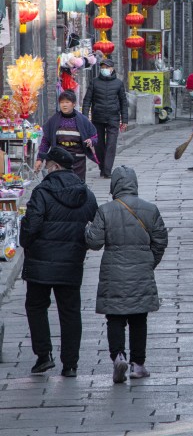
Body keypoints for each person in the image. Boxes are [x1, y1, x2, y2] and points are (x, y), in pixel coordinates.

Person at [85, 165, 168, 383]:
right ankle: (138, 365)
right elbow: (161, 241)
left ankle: (118, 356)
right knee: (139, 318)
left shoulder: (105, 210)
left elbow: (94, 242)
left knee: (115, 317)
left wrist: (87, 229)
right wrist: (150, 262)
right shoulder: (150, 210)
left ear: (114, 185)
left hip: (113, 273)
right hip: (141, 271)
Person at [20, 146, 97, 377]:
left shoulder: (41, 192)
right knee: (70, 311)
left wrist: (25, 240)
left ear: (53, 166)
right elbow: (97, 225)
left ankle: (44, 356)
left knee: (36, 307)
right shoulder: (86, 193)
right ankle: (70, 364)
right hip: (71, 263)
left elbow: (31, 227)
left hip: (39, 263)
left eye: (46, 164)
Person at [36, 90, 98, 182]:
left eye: (67, 102)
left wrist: (91, 141)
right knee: (59, 185)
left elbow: (94, 136)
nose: (64, 105)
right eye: (62, 102)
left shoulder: (83, 120)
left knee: (77, 186)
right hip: (59, 160)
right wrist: (39, 159)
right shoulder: (53, 121)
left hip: (78, 160)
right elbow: (46, 141)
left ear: (73, 104)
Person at [82, 58, 128, 179]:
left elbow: (123, 102)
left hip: (113, 117)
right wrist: (85, 117)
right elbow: (87, 100)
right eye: (102, 67)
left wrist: (125, 120)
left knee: (111, 144)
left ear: (112, 69)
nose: (104, 69)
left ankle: (107, 170)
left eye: (107, 67)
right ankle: (102, 166)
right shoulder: (94, 82)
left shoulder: (118, 83)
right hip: (97, 117)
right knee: (99, 145)